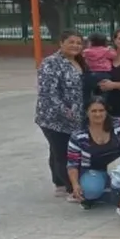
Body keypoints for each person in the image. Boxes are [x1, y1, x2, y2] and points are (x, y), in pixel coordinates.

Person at [36, 30, 87, 198]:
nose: (75, 46)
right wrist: (67, 112)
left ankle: (59, 183)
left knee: (58, 150)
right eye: (71, 42)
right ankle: (71, 188)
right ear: (61, 43)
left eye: (78, 43)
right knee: (62, 152)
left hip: (77, 116)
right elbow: (48, 93)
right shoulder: (51, 63)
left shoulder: (79, 61)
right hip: (54, 118)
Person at [66, 97, 120, 209]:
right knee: (90, 192)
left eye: (101, 110)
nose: (98, 114)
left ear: (106, 111)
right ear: (87, 113)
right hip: (93, 171)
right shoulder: (78, 135)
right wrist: (75, 185)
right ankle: (108, 193)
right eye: (93, 111)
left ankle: (111, 192)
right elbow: (72, 163)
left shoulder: (119, 124)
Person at [82, 32, 115, 103]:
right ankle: (103, 106)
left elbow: (82, 59)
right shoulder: (107, 51)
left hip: (90, 74)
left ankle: (86, 107)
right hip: (105, 74)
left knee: (86, 93)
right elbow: (114, 56)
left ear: (90, 42)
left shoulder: (86, 51)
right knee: (104, 94)